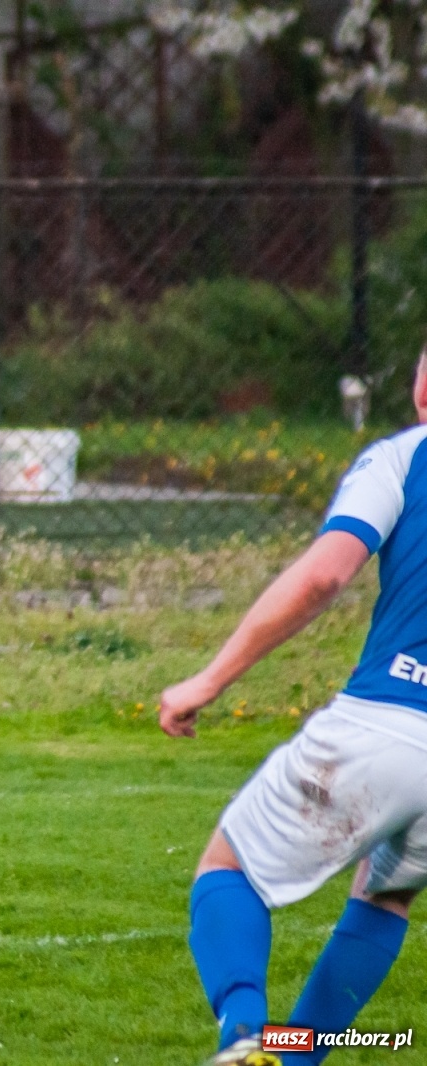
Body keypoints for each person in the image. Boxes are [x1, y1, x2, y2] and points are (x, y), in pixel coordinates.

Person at [158, 352, 427, 1065]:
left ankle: (246, 1037)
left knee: (228, 870)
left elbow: (323, 577)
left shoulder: (403, 458)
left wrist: (209, 680)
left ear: (424, 385)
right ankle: (293, 1057)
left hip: (385, 721)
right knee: (385, 898)